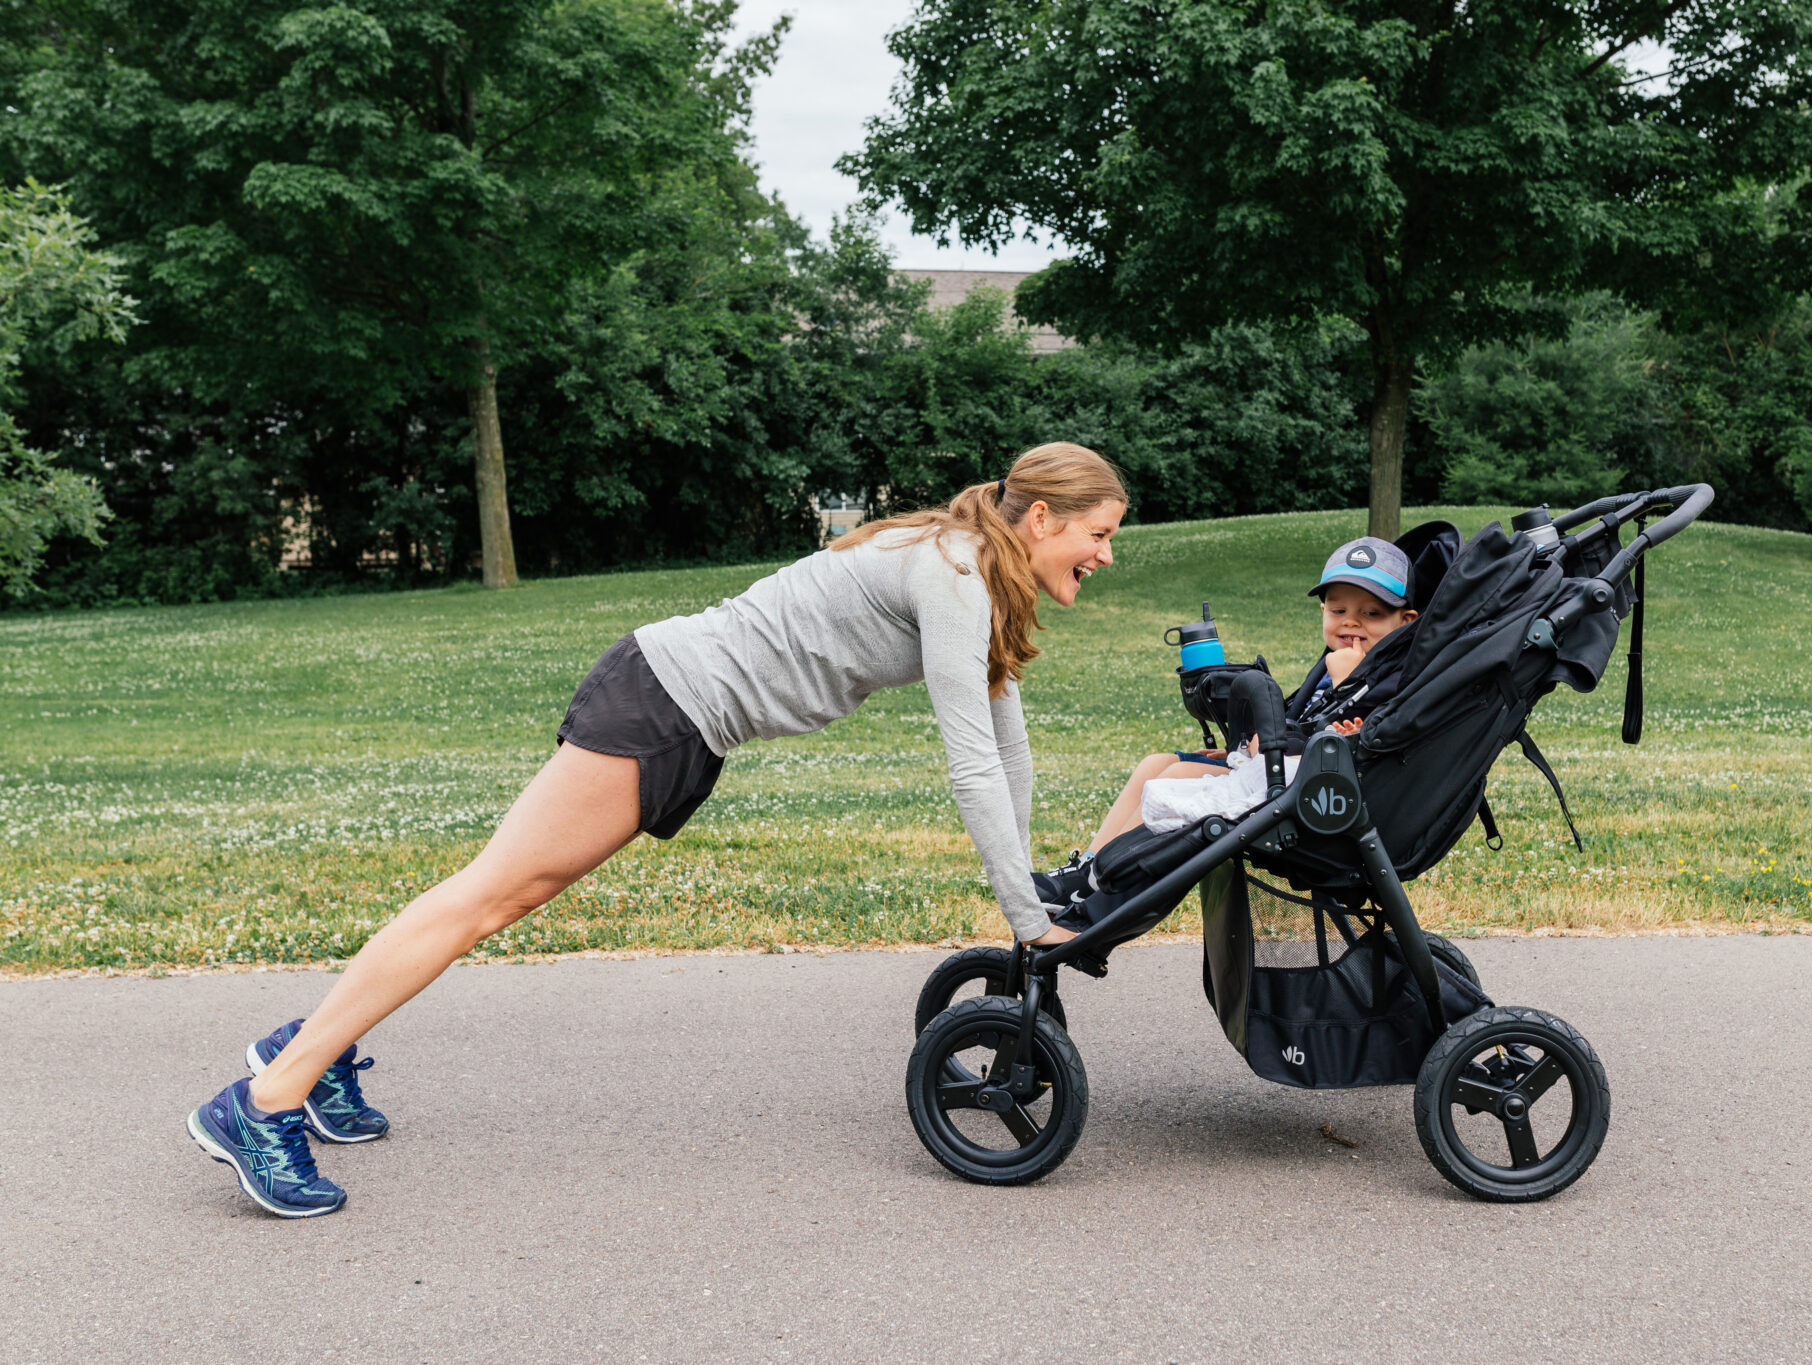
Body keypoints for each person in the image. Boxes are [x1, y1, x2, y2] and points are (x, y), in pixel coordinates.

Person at [186, 442, 1128, 1218]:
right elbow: (970, 764)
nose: (1107, 554)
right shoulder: (955, 573)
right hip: (665, 701)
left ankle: (304, 1050)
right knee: (486, 897)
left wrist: (1029, 895)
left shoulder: (975, 570)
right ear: (1040, 518)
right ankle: (263, 1099)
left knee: (499, 893)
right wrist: (1025, 913)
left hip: (685, 715)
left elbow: (1009, 753)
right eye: (1099, 533)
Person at [1044, 535, 1417, 879]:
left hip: (1308, 796)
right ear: (1323, 611)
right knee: (1156, 765)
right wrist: (1238, 749)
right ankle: (1089, 865)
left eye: (1371, 614)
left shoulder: (1387, 678)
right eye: (1338, 610)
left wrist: (1347, 684)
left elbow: (1358, 739)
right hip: (1270, 769)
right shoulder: (1336, 660)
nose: (1351, 621)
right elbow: (1298, 719)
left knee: (1170, 781)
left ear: (1405, 622)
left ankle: (1104, 880)